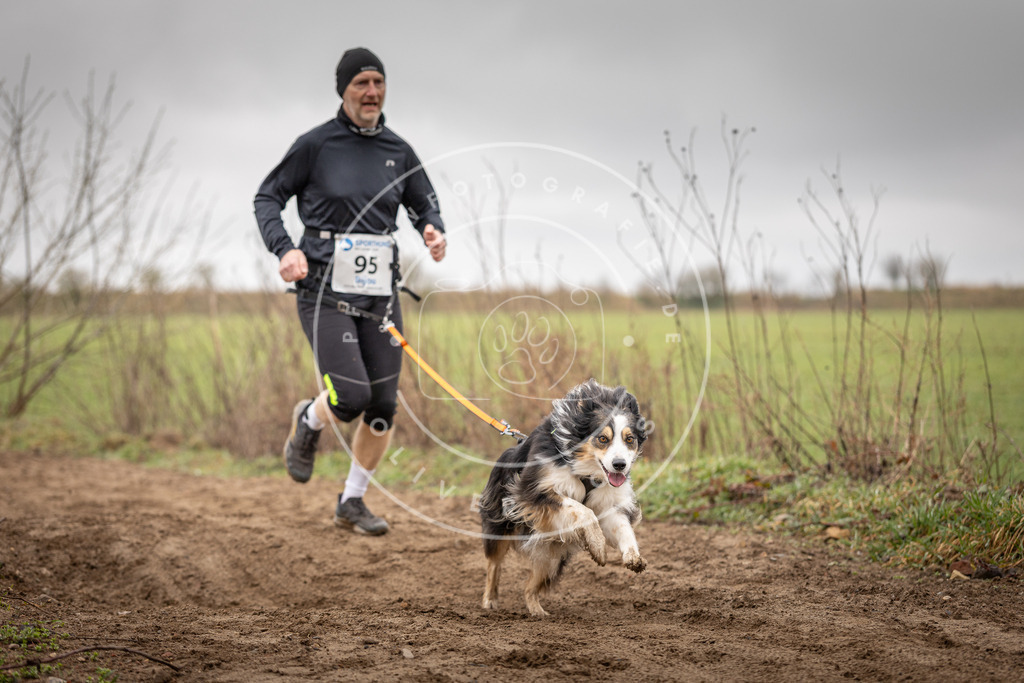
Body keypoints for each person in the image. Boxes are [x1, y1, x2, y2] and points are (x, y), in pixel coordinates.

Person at [254, 47, 446, 536]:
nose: (372, 92)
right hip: (321, 289)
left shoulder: (398, 151)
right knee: (352, 394)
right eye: (361, 83)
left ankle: (352, 502)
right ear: (343, 89)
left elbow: (424, 202)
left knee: (382, 406)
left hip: (379, 295)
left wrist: (432, 229)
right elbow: (268, 197)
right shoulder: (316, 145)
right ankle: (310, 421)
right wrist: (283, 250)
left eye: (378, 83)